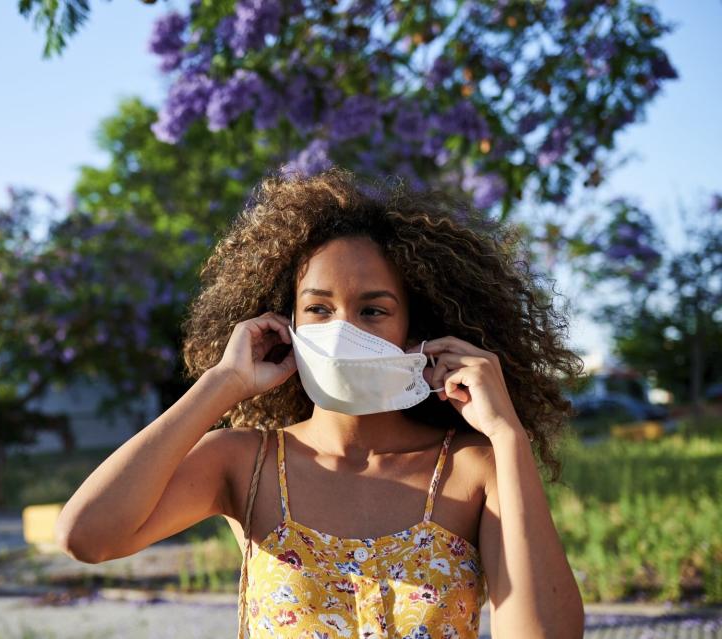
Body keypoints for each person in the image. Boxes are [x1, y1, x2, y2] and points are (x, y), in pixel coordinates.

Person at [55, 167, 586, 638]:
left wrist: (508, 434)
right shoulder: (246, 463)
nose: (342, 330)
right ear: (287, 324)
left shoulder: (474, 467)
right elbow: (87, 537)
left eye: (373, 311)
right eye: (319, 308)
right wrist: (222, 383)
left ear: (414, 327)